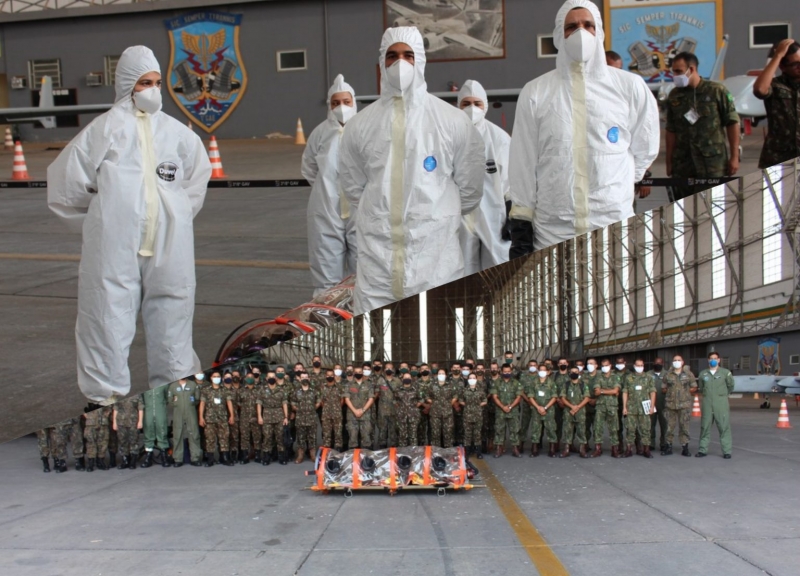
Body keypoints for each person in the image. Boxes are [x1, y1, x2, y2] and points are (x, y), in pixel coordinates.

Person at [47, 45, 212, 405]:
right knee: (107, 316)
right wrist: (102, 224)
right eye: (143, 82)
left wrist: (177, 217)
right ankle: (103, 400)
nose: (152, 90)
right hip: (114, 247)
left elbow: (195, 183)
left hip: (171, 246)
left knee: (174, 313)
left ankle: (175, 398)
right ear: (126, 85)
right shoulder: (103, 131)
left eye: (156, 82)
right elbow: (65, 187)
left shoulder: (178, 135)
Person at [339, 26, 484, 315]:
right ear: (382, 62)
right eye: (392, 56)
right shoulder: (360, 125)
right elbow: (354, 187)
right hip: (377, 265)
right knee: (377, 347)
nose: (400, 63)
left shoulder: (452, 121)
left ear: (421, 61)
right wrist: (381, 215)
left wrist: (434, 216)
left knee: (439, 342)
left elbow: (470, 190)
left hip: (435, 263)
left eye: (408, 55)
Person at [507, 0, 659, 255]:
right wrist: (521, 223)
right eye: (571, 27)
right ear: (559, 35)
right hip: (553, 229)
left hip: (612, 223)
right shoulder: (536, 92)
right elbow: (523, 163)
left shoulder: (629, 87)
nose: (580, 32)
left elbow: (646, 145)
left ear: (598, 31)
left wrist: (616, 184)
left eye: (588, 25)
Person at [301, 74, 359, 296]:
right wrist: (328, 190)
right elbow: (309, 168)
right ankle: (328, 324)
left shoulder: (366, 129)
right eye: (336, 103)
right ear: (329, 105)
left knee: (364, 274)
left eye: (346, 102)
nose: (341, 107)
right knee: (326, 277)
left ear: (354, 102)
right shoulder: (320, 134)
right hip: (326, 212)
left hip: (360, 210)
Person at [665, 52, 740, 201]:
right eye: (673, 71)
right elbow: (670, 130)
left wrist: (734, 157)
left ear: (691, 69)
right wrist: (669, 161)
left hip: (711, 164)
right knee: (683, 208)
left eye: (679, 71)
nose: (675, 75)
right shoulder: (674, 95)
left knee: (710, 208)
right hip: (683, 164)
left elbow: (732, 123)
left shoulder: (716, 91)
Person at [456, 80, 511, 274]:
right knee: (461, 270)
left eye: (477, 103)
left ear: (485, 106)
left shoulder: (500, 139)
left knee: (497, 268)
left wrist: (513, 213)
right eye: (466, 103)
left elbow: (512, 181)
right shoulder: (448, 136)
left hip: (493, 215)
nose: (472, 108)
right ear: (458, 105)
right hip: (459, 216)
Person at [754, 39, 800, 169]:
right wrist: (778, 55)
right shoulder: (776, 85)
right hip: (779, 158)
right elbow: (760, 89)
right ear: (782, 67)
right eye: (796, 64)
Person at [695, 352, 735, 459]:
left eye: (715, 358)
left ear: (719, 360)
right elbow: (701, 388)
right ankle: (702, 450)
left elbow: (731, 386)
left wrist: (722, 396)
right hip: (707, 403)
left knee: (724, 427)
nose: (713, 360)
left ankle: (727, 451)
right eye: (711, 358)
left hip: (721, 404)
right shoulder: (703, 374)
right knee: (705, 427)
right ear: (708, 360)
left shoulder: (725, 373)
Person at [662, 355, 698, 456]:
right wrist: (670, 392)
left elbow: (694, 386)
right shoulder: (668, 374)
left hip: (684, 405)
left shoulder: (688, 374)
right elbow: (663, 387)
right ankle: (668, 446)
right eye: (675, 360)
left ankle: (685, 447)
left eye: (679, 360)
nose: (677, 362)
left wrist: (685, 392)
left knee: (684, 427)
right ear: (672, 362)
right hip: (670, 405)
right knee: (669, 427)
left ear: (682, 362)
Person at [199, 372, 236, 467]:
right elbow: (202, 404)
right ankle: (210, 459)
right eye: (214, 376)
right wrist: (201, 417)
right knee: (210, 439)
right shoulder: (206, 390)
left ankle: (224, 458)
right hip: (210, 418)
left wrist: (231, 415)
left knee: (224, 438)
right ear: (211, 378)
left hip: (222, 418)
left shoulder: (224, 390)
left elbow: (229, 403)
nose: (216, 378)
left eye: (218, 376)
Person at [622, 359, 656, 458]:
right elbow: (625, 392)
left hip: (644, 408)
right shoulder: (629, 378)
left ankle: (646, 450)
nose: (640, 367)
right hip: (631, 408)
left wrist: (652, 406)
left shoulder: (648, 377)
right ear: (634, 365)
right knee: (630, 429)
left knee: (646, 429)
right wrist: (624, 407)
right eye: (638, 365)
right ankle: (629, 449)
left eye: (641, 365)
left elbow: (652, 392)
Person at [523, 364, 558, 457]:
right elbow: (530, 396)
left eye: (544, 370)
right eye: (540, 370)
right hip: (536, 409)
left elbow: (554, 397)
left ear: (547, 372)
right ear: (538, 371)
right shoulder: (534, 382)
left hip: (549, 410)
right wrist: (538, 407)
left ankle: (552, 449)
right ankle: (534, 449)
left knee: (551, 429)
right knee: (535, 429)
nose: (542, 372)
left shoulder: (551, 383)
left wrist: (545, 407)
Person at [167, 377, 203, 467]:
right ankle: (178, 459)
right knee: (177, 434)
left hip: (191, 412)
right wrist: (177, 405)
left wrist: (189, 405)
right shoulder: (173, 386)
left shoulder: (193, 384)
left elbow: (197, 399)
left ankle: (195, 458)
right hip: (178, 413)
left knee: (194, 434)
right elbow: (170, 400)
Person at [591, 358, 622, 458]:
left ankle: (614, 449)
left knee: (614, 429)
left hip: (612, 406)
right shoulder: (598, 377)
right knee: (598, 428)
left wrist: (603, 391)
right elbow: (596, 392)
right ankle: (597, 449)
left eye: (606, 365)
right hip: (600, 406)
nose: (605, 367)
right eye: (603, 366)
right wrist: (610, 391)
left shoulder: (616, 377)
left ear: (610, 366)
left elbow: (616, 391)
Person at [491, 364, 523, 457]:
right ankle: (499, 449)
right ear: (501, 371)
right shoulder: (496, 382)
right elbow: (494, 396)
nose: (507, 373)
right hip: (500, 411)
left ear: (511, 371)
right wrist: (502, 407)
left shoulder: (516, 383)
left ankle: (515, 449)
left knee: (515, 430)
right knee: (499, 429)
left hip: (513, 411)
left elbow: (518, 397)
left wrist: (510, 407)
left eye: (509, 371)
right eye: (505, 372)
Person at [258, 371, 290, 465]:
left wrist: (286, 417)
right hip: (267, 416)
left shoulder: (281, 390)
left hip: (279, 416)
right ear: (266, 379)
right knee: (267, 437)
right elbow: (259, 404)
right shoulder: (262, 390)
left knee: (280, 437)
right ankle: (266, 457)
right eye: (269, 377)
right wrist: (260, 416)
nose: (271, 378)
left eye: (273, 377)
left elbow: (284, 403)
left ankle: (282, 457)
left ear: (276, 378)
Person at [560, 366, 590, 457]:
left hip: (580, 412)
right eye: (572, 371)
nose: (574, 373)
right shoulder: (566, 385)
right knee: (567, 430)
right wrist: (571, 407)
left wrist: (577, 407)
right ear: (569, 373)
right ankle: (566, 449)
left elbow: (587, 398)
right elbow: (563, 398)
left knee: (581, 431)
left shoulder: (583, 385)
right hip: (568, 411)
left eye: (576, 371)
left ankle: (582, 449)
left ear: (579, 373)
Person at [290, 373, 321, 464]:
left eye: (306, 377)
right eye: (302, 377)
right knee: (300, 437)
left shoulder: (314, 391)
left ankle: (313, 455)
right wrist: (299, 409)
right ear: (299, 379)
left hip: (311, 417)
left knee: (312, 437)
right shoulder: (296, 391)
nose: (304, 379)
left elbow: (318, 401)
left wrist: (312, 408)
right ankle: (300, 455)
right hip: (300, 418)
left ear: (309, 378)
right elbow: (292, 403)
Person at [344, 366, 375, 449]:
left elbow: (371, 399)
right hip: (352, 415)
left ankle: (365, 459)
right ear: (354, 373)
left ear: (363, 373)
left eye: (360, 372)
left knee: (366, 438)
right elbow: (347, 399)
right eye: (356, 372)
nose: (358, 373)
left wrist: (363, 410)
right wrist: (355, 411)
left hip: (365, 415)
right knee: (353, 438)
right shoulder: (348, 384)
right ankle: (353, 459)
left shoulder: (369, 384)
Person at [140, 385, 170, 468]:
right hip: (148, 413)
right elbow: (141, 400)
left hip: (160, 412)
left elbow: (167, 398)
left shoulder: (164, 385)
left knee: (162, 432)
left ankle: (164, 457)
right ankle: (148, 458)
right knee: (148, 433)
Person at [459, 372, 487, 459]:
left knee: (477, 434)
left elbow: (485, 400)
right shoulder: (464, 390)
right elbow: (460, 400)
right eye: (470, 378)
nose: (472, 380)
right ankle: (467, 452)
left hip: (478, 415)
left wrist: (478, 405)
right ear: (468, 380)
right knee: (467, 434)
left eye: (473, 378)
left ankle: (478, 452)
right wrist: (467, 405)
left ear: (476, 379)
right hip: (467, 415)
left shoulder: (480, 390)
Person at [428, 368, 457, 448]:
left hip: (447, 414)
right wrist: (434, 403)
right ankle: (436, 453)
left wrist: (448, 404)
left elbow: (455, 396)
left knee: (448, 433)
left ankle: (448, 452)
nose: (441, 375)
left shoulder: (450, 385)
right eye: (439, 374)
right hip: (435, 414)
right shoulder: (432, 385)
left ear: (446, 375)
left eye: (443, 373)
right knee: (435, 433)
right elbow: (427, 396)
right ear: (437, 375)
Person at [112, 395, 143, 470]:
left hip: (133, 422)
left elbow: (140, 409)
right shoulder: (119, 395)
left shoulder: (137, 396)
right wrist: (114, 422)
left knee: (134, 441)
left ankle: (133, 461)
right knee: (122, 441)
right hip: (121, 422)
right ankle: (125, 461)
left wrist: (140, 421)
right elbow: (116, 409)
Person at [395, 372, 424, 447]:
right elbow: (394, 400)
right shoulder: (398, 389)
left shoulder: (416, 389)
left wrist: (415, 406)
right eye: (405, 378)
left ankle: (413, 454)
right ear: (402, 379)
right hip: (401, 416)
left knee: (413, 436)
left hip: (413, 416)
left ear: (411, 379)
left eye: (408, 378)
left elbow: (421, 399)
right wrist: (400, 407)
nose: (407, 379)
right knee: (402, 436)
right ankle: (403, 455)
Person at [238, 373, 261, 464]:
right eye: (248, 377)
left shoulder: (259, 390)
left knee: (257, 437)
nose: (250, 379)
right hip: (244, 418)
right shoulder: (241, 390)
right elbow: (238, 403)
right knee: (244, 437)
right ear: (245, 378)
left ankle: (258, 455)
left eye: (252, 377)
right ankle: (245, 456)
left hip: (256, 417)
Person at [320, 369, 344, 451]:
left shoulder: (339, 387)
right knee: (326, 434)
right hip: (326, 414)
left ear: (334, 376)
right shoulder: (322, 387)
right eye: (328, 375)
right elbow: (321, 401)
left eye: (331, 375)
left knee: (338, 434)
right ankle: (326, 452)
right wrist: (327, 407)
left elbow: (342, 400)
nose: (330, 377)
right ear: (325, 376)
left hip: (337, 413)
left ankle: (338, 450)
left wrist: (336, 407)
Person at [648, 358, 668, 453]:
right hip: (651, 404)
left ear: (663, 364)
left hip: (664, 404)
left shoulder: (667, 374)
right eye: (656, 363)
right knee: (650, 425)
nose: (657, 364)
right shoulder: (648, 374)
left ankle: (664, 443)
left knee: (664, 425)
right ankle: (651, 443)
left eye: (659, 363)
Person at [83, 406, 112, 472]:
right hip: (91, 423)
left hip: (103, 423)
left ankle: (100, 461)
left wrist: (105, 416)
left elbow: (109, 407)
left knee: (103, 442)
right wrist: (88, 417)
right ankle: (91, 463)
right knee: (90, 442)